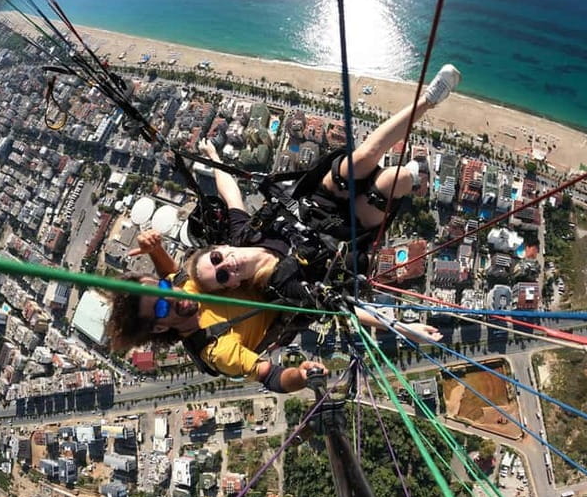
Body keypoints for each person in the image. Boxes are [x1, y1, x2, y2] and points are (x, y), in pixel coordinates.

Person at [186, 64, 460, 339]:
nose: (226, 265)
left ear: (219, 247)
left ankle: (429, 100)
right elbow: (341, 310)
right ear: (232, 286)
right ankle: (410, 175)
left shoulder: (242, 235)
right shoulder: (279, 286)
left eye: (216, 259)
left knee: (364, 157)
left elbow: (230, 193)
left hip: (319, 199)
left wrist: (214, 159)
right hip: (344, 231)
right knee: (396, 179)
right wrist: (405, 329)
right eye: (222, 276)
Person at [105, 230, 328, 393]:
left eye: (162, 288)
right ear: (160, 327)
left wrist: (155, 250)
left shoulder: (183, 288)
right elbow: (271, 376)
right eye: (161, 307)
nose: (172, 297)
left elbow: (171, 273)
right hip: (294, 296)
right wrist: (301, 376)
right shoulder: (218, 349)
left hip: (268, 266)